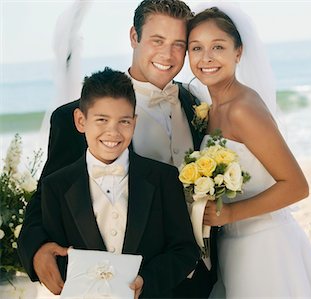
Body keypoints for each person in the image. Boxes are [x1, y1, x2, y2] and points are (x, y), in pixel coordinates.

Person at [18, 1, 216, 298]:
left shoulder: (195, 103)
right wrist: (36, 250)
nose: (168, 54)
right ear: (134, 37)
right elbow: (46, 198)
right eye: (157, 40)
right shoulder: (78, 119)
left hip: (201, 278)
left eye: (179, 44)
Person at [186, 5, 311, 298]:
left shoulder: (243, 108)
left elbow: (297, 186)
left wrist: (229, 213)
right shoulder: (212, 107)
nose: (206, 58)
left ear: (238, 52)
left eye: (218, 47)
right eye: (196, 48)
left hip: (264, 245)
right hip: (233, 246)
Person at [40, 67, 198, 298]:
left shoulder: (163, 178)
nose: (112, 132)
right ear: (80, 120)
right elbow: (57, 255)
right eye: (102, 120)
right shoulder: (56, 186)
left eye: (123, 121)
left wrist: (147, 281)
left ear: (134, 122)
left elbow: (185, 251)